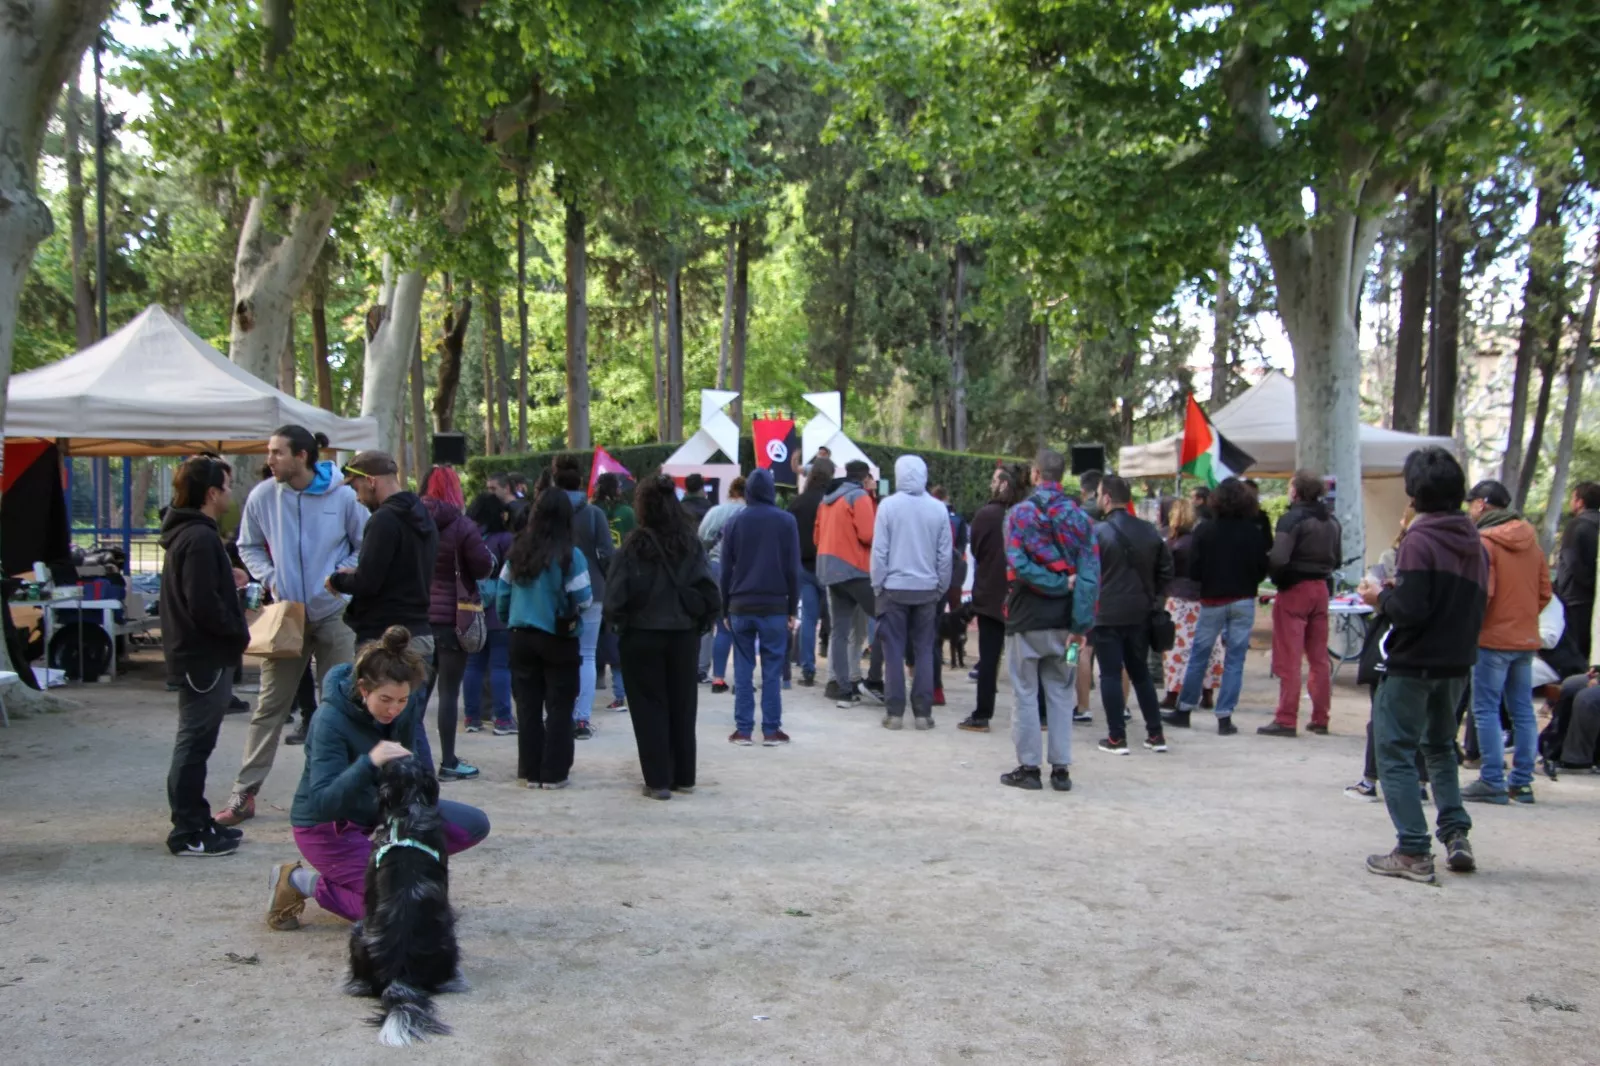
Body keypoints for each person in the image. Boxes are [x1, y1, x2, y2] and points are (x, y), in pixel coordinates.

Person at [265, 627, 490, 930]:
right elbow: (323, 802)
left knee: (472, 825)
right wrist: (370, 762)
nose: (394, 709)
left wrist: (401, 821)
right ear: (363, 688)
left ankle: (402, 877)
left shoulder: (405, 705)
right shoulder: (329, 720)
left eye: (402, 700)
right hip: (326, 826)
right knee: (400, 912)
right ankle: (298, 881)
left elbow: (419, 770)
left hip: (381, 814)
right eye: (385, 699)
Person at [217, 426, 367, 828]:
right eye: (270, 451)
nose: (269, 459)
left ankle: (343, 796)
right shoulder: (264, 496)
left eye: (277, 452)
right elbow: (247, 545)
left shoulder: (345, 495)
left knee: (340, 704)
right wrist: (269, 578)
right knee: (270, 705)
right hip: (286, 613)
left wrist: (340, 577)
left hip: (335, 611)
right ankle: (244, 793)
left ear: (302, 455)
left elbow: (363, 542)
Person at [1356, 447, 1485, 884]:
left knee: (1394, 750)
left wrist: (1380, 597)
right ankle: (1455, 833)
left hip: (1414, 662)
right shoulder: (1473, 540)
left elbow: (1411, 609)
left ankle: (1412, 849)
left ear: (1413, 494)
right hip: (1456, 661)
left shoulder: (1420, 538)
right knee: (1441, 746)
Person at [606, 475, 721, 797]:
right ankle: (684, 776)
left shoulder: (633, 545)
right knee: (683, 705)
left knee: (648, 707)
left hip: (641, 634)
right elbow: (709, 589)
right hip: (683, 634)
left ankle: (658, 780)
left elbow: (616, 595)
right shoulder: (690, 542)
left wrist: (619, 622)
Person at [160, 456, 251, 856]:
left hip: (203, 654)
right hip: (202, 657)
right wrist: (236, 630)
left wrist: (224, 580)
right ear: (211, 493)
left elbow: (201, 591)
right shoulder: (197, 538)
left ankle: (198, 821)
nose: (231, 494)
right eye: (227, 487)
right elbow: (201, 604)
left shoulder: (195, 536)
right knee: (194, 744)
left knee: (198, 743)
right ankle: (187, 831)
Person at [330, 450, 440, 759]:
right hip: (420, 633)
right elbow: (400, 571)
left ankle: (415, 802)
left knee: (387, 730)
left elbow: (368, 583)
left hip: (385, 637)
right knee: (408, 728)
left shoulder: (383, 520)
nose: (357, 497)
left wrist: (337, 581)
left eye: (356, 488)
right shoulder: (423, 516)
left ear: (371, 481)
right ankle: (419, 800)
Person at [999, 449, 1099, 790]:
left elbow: (1016, 565)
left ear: (1036, 473)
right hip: (1067, 623)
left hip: (1026, 617)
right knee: (1061, 691)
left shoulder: (1019, 515)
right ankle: (1061, 769)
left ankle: (1028, 768)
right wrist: (1081, 626)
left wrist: (1053, 582)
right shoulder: (1083, 520)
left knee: (1025, 691)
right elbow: (1090, 577)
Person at [1461, 479, 1552, 805]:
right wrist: (1523, 618)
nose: (1470, 511)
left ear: (1482, 505)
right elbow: (1545, 592)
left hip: (1492, 638)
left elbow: (1483, 594)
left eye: (1471, 504)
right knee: (1523, 711)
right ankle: (1522, 783)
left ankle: (1491, 780)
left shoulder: (1485, 543)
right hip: (1525, 639)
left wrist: (1473, 627)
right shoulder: (1533, 543)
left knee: (1485, 709)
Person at [497, 488, 591, 789]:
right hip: (558, 637)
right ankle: (554, 773)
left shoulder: (518, 550)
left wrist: (509, 618)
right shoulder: (570, 555)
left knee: (527, 705)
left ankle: (529, 771)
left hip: (520, 635)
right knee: (560, 706)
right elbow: (584, 598)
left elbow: (502, 594)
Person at [1165, 479, 1269, 735]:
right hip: (1243, 599)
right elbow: (1262, 567)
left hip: (1212, 600)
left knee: (1199, 655)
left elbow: (1195, 570)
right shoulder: (1253, 531)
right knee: (1235, 659)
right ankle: (1224, 716)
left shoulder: (1204, 531)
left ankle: (1185, 709)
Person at [719, 468, 802, 744]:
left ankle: (743, 729)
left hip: (740, 605)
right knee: (772, 668)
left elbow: (725, 571)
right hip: (775, 606)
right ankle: (770, 729)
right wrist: (792, 606)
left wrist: (725, 607)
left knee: (742, 668)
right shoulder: (786, 521)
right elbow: (793, 569)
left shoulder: (733, 523)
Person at [1092, 475, 1173, 755]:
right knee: (1140, 673)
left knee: (1110, 674)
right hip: (1140, 612)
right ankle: (1156, 733)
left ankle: (1117, 736)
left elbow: (1090, 573)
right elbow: (1166, 570)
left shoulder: (1099, 532)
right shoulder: (1149, 531)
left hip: (1106, 613)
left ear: (1105, 498)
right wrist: (1153, 597)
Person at [870, 455, 953, 729]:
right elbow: (945, 556)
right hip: (928, 589)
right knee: (924, 650)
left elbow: (879, 551)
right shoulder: (938, 509)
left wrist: (877, 584)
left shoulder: (887, 507)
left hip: (893, 588)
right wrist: (941, 585)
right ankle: (923, 713)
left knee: (892, 651)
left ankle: (894, 713)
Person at [421, 482, 493, 780]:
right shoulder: (462, 526)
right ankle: (448, 761)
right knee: (449, 693)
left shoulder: (412, 520)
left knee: (416, 693)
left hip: (418, 616)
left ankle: (409, 758)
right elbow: (483, 566)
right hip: (454, 618)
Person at [1262, 471, 1342, 737]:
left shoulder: (1291, 519)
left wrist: (1276, 576)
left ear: (1296, 491)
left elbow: (1279, 558)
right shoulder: (1331, 520)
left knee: (1289, 657)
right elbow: (1337, 559)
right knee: (1319, 657)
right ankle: (1321, 716)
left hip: (1295, 589)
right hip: (1321, 588)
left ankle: (1286, 718)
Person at [554, 455, 616, 740]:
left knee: (558, 656)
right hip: (593, 591)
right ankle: (581, 718)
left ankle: (559, 714)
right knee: (587, 655)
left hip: (554, 592)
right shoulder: (594, 515)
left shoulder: (547, 511)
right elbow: (607, 554)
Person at [961, 466, 1022, 733]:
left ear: (1004, 484)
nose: (990, 483)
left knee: (989, 658)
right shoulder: (1026, 515)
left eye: (995, 479)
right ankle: (1040, 713)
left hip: (990, 594)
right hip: (1022, 596)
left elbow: (975, 548)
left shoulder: (986, 515)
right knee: (1028, 659)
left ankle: (983, 713)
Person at [817, 459, 878, 704]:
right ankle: (876, 679)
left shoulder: (827, 499)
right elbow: (868, 534)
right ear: (864, 479)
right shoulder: (859, 497)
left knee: (839, 631)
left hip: (829, 569)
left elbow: (816, 533)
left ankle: (841, 686)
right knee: (885, 616)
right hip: (855, 569)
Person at [1157, 498, 1224, 714]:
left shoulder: (1172, 544)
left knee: (1176, 647)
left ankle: (1173, 693)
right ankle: (1207, 693)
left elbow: (1165, 571)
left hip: (1179, 599)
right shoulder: (1202, 540)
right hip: (1203, 598)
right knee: (1208, 646)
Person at [463, 492, 515, 736]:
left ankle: (471, 717)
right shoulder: (505, 539)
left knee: (473, 665)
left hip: (470, 610)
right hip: (498, 614)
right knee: (500, 666)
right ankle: (502, 719)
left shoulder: (465, 537)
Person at [785, 458, 832, 688]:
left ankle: (808, 669)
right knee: (837, 622)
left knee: (809, 620)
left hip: (803, 566)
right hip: (830, 566)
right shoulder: (832, 502)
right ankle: (836, 672)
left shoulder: (798, 502)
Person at [698, 476, 747, 692]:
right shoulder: (750, 513)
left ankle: (718, 677)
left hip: (716, 567)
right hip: (742, 571)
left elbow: (701, 538)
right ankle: (742, 679)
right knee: (742, 627)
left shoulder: (716, 511)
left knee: (721, 625)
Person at [592, 473, 635, 711]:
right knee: (614, 634)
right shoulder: (627, 513)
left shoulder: (590, 511)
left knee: (590, 639)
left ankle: (597, 677)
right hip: (619, 577)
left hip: (594, 580)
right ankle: (620, 694)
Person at [929, 486, 969, 707]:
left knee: (929, 632)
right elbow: (962, 544)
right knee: (951, 618)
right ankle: (936, 688)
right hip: (950, 575)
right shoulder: (956, 518)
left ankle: (923, 679)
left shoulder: (934, 515)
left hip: (932, 579)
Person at [1555, 481, 1599, 661]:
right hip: (1594, 598)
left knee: (1575, 649)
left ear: (1580, 502)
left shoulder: (1575, 525)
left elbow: (1572, 561)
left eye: (1572, 498)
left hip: (1575, 596)